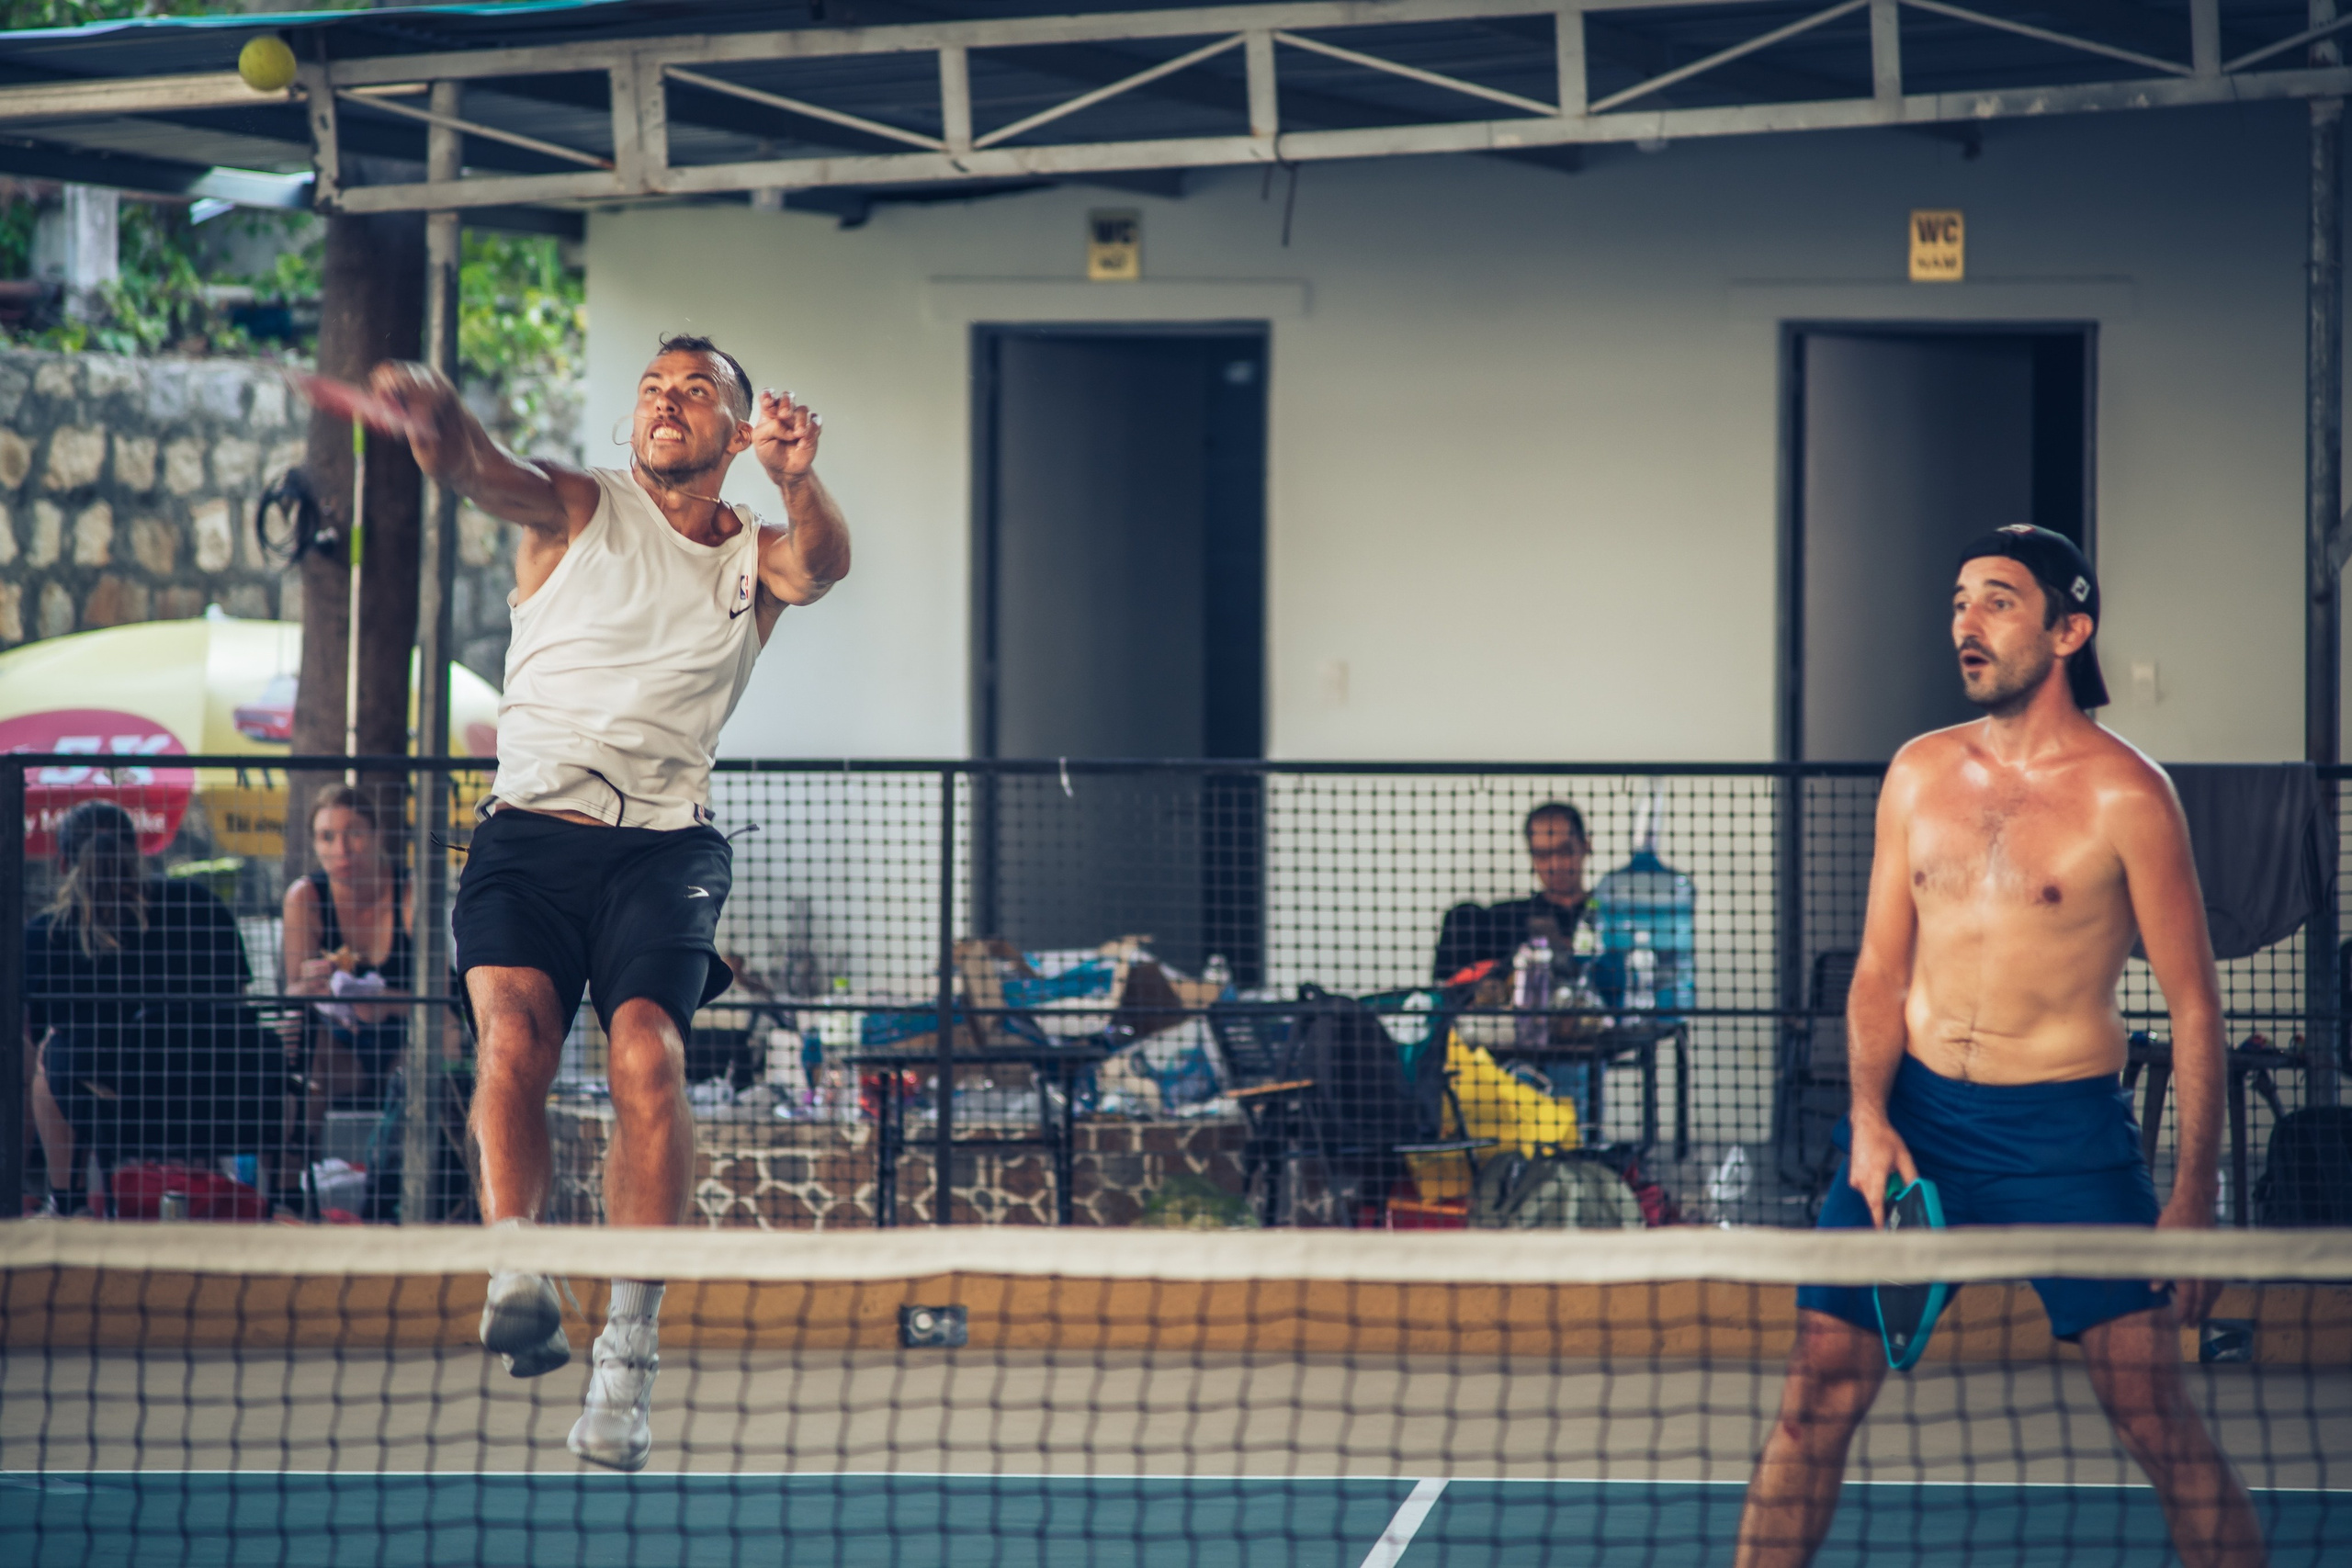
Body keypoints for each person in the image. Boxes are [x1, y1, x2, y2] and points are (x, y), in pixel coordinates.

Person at [1735, 525, 2261, 1567]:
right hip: (1918, 1122)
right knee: (1810, 1402)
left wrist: (2193, 1196)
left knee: (2153, 1416)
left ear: (2070, 628)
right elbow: (1880, 973)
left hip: (2063, 1134)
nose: (1964, 624)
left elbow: (2195, 1007)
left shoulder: (2129, 795)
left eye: (1997, 602)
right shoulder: (1917, 772)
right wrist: (1869, 1122)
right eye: (1958, 602)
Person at [370, 333, 850, 1472]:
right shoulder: (577, 508)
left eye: (694, 391)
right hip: (529, 837)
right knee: (517, 1035)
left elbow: (824, 567)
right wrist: (437, 422)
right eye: (651, 389)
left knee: (648, 1061)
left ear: (735, 434)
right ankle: (517, 1264)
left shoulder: (755, 556)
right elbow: (480, 470)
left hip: (664, 851)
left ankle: (625, 1362)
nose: (665, 402)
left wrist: (794, 476)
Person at [25, 801, 280, 1215]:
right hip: (218, 1096)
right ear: (139, 850)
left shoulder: (45, 933)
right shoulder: (197, 903)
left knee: (46, 1059)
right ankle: (284, 1200)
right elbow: (238, 1000)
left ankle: (66, 1202)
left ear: (62, 863)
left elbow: (39, 1029)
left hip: (108, 1104)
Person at [281, 784, 416, 1145]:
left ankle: (402, 1187)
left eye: (353, 834)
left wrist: (382, 1001)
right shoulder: (305, 896)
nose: (340, 849)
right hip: (336, 1047)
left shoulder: (409, 891)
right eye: (327, 837)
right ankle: (290, 1190)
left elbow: (444, 992)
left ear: (376, 835)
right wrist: (310, 984)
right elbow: (291, 992)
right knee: (297, 1039)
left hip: (407, 1040)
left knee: (440, 1039)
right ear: (314, 843)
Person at [1431, 801, 1593, 982]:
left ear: (1586, 845)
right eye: (1542, 854)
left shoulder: (1612, 917)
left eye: (1564, 851)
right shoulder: (1499, 921)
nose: (1555, 865)